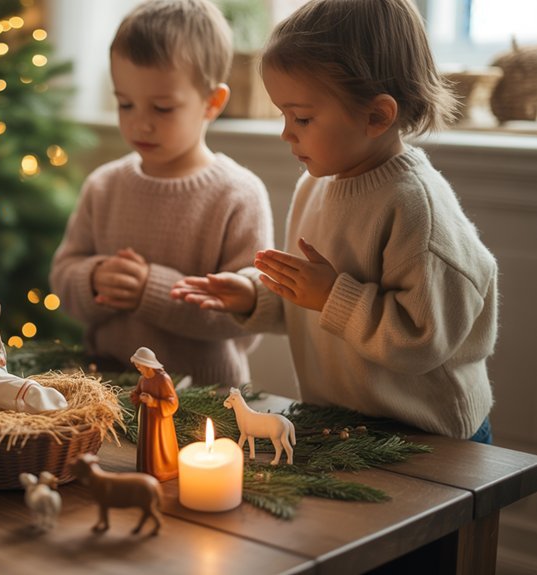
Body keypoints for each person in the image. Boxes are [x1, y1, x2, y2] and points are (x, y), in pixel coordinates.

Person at [171, 0, 497, 442]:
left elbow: (423, 339)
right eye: (284, 115)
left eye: (302, 117)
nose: (287, 132)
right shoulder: (315, 185)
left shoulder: (416, 207)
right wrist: (254, 295)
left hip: (430, 433)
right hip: (346, 427)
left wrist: (330, 295)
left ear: (376, 116)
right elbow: (313, 295)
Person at [49, 0, 273, 387]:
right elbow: (63, 276)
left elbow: (244, 317)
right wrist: (94, 279)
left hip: (204, 404)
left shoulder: (239, 194)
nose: (140, 123)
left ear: (212, 103)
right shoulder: (104, 186)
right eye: (125, 104)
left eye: (162, 108)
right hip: (106, 390)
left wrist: (151, 291)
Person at [0, 296, 68, 413]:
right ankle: (32, 401)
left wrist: (1, 358)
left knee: (18, 382)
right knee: (10, 386)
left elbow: (0, 348)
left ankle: (40, 395)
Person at [129, 347, 179, 482]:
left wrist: (154, 402)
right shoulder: (142, 379)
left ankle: (162, 470)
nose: (138, 367)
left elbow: (173, 402)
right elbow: (138, 393)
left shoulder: (163, 380)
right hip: (147, 418)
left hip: (159, 421)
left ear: (147, 363)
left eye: (139, 365)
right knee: (147, 443)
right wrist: (136, 396)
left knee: (159, 445)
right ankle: (147, 469)